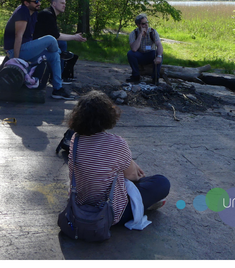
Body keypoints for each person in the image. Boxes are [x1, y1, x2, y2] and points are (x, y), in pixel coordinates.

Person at [66, 90, 170, 228]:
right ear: (108, 115)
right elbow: (133, 176)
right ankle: (141, 206)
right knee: (161, 182)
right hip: (108, 213)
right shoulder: (117, 143)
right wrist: (130, 165)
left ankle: (142, 203)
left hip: (79, 205)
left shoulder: (75, 139)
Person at [3, 0, 73, 100]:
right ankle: (61, 52)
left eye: (39, 0)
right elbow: (18, 36)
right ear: (27, 3)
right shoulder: (22, 12)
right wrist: (16, 60)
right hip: (16, 51)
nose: (39, 3)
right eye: (36, 1)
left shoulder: (34, 13)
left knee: (54, 56)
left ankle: (57, 89)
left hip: (27, 48)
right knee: (51, 39)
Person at [34, 0, 87, 83]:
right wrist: (74, 37)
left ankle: (58, 74)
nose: (64, 5)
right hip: (36, 44)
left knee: (62, 43)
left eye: (65, 3)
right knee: (62, 44)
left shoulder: (50, 14)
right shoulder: (48, 14)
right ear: (54, 4)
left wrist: (73, 36)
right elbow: (57, 36)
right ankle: (58, 76)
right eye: (62, 3)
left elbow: (55, 34)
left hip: (42, 42)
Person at [127, 13, 164, 84]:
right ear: (138, 25)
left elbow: (159, 44)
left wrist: (159, 56)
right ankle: (135, 76)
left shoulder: (153, 32)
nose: (146, 25)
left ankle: (155, 78)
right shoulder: (133, 33)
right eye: (143, 23)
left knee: (159, 53)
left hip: (150, 54)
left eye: (147, 22)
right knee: (130, 54)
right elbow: (134, 49)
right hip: (140, 55)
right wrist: (140, 35)